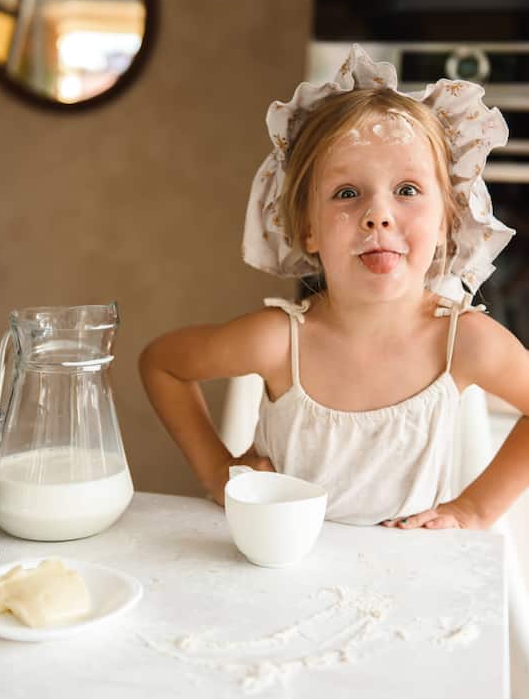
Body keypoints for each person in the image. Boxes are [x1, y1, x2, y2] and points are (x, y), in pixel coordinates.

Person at [139, 44, 529, 530]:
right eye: (347, 193)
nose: (378, 214)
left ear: (449, 221)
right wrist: (216, 471)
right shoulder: (278, 342)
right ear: (306, 230)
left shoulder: (465, 343)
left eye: (407, 190)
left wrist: (475, 508)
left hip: (404, 584)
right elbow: (163, 364)